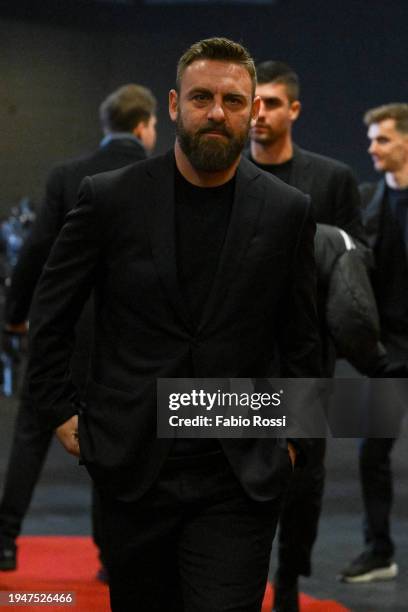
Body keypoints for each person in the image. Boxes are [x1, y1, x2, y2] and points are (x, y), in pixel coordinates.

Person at [27, 38, 321, 612]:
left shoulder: (287, 211)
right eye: (202, 97)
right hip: (134, 465)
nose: (218, 112)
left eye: (234, 101)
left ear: (253, 109)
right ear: (172, 105)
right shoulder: (110, 199)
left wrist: (296, 441)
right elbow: (52, 310)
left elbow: (302, 340)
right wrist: (59, 411)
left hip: (241, 469)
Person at [0, 83, 157, 576]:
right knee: (114, 445)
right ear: (145, 124)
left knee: (30, 434)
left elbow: (35, 252)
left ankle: (4, 543)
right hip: (123, 337)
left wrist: (14, 314)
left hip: (62, 329)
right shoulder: (157, 177)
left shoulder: (66, 175)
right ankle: (112, 557)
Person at [248, 60, 364, 612]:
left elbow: (355, 259)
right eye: (253, 102)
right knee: (234, 467)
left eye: (270, 103)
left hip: (307, 353)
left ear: (293, 109)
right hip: (239, 350)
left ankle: (290, 574)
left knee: (304, 478)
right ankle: (241, 575)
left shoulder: (332, 179)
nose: (258, 113)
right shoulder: (225, 175)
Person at [339, 103, 408, 583]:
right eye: (371, 138)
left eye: (381, 138)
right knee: (370, 453)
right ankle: (378, 550)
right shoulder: (367, 202)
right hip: (388, 352)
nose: (371, 147)